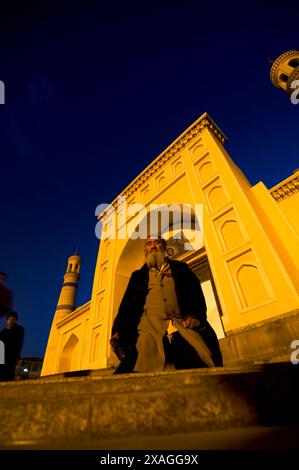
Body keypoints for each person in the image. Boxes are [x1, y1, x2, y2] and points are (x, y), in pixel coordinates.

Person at [110, 235, 223, 374]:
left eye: (156, 243)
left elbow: (196, 294)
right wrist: (117, 329)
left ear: (163, 247)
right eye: (149, 244)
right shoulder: (138, 276)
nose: (153, 246)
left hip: (180, 322)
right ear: (145, 250)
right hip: (148, 325)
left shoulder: (181, 269)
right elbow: (126, 304)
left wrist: (194, 315)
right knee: (141, 361)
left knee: (199, 357)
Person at [0, 311, 24, 381]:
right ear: (7, 321)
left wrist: (17, 356)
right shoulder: (3, 332)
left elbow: (19, 343)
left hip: (12, 357)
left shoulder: (19, 330)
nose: (11, 321)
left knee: (9, 375)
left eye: (13, 319)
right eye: (10, 319)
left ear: (16, 321)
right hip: (2, 357)